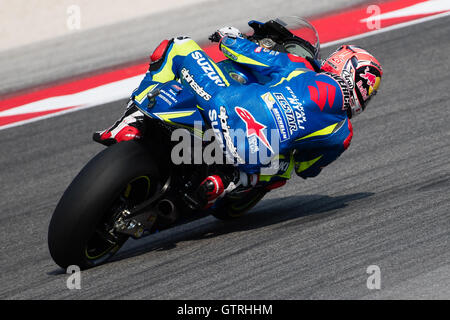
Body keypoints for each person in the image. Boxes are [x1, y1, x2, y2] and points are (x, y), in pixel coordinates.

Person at [94, 26, 383, 209]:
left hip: (226, 109)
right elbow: (307, 169)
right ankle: (224, 183)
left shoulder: (300, 69)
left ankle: (128, 123)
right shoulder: (342, 134)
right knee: (286, 161)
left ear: (338, 64)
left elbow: (248, 53)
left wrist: (227, 37)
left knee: (179, 46)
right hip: (254, 152)